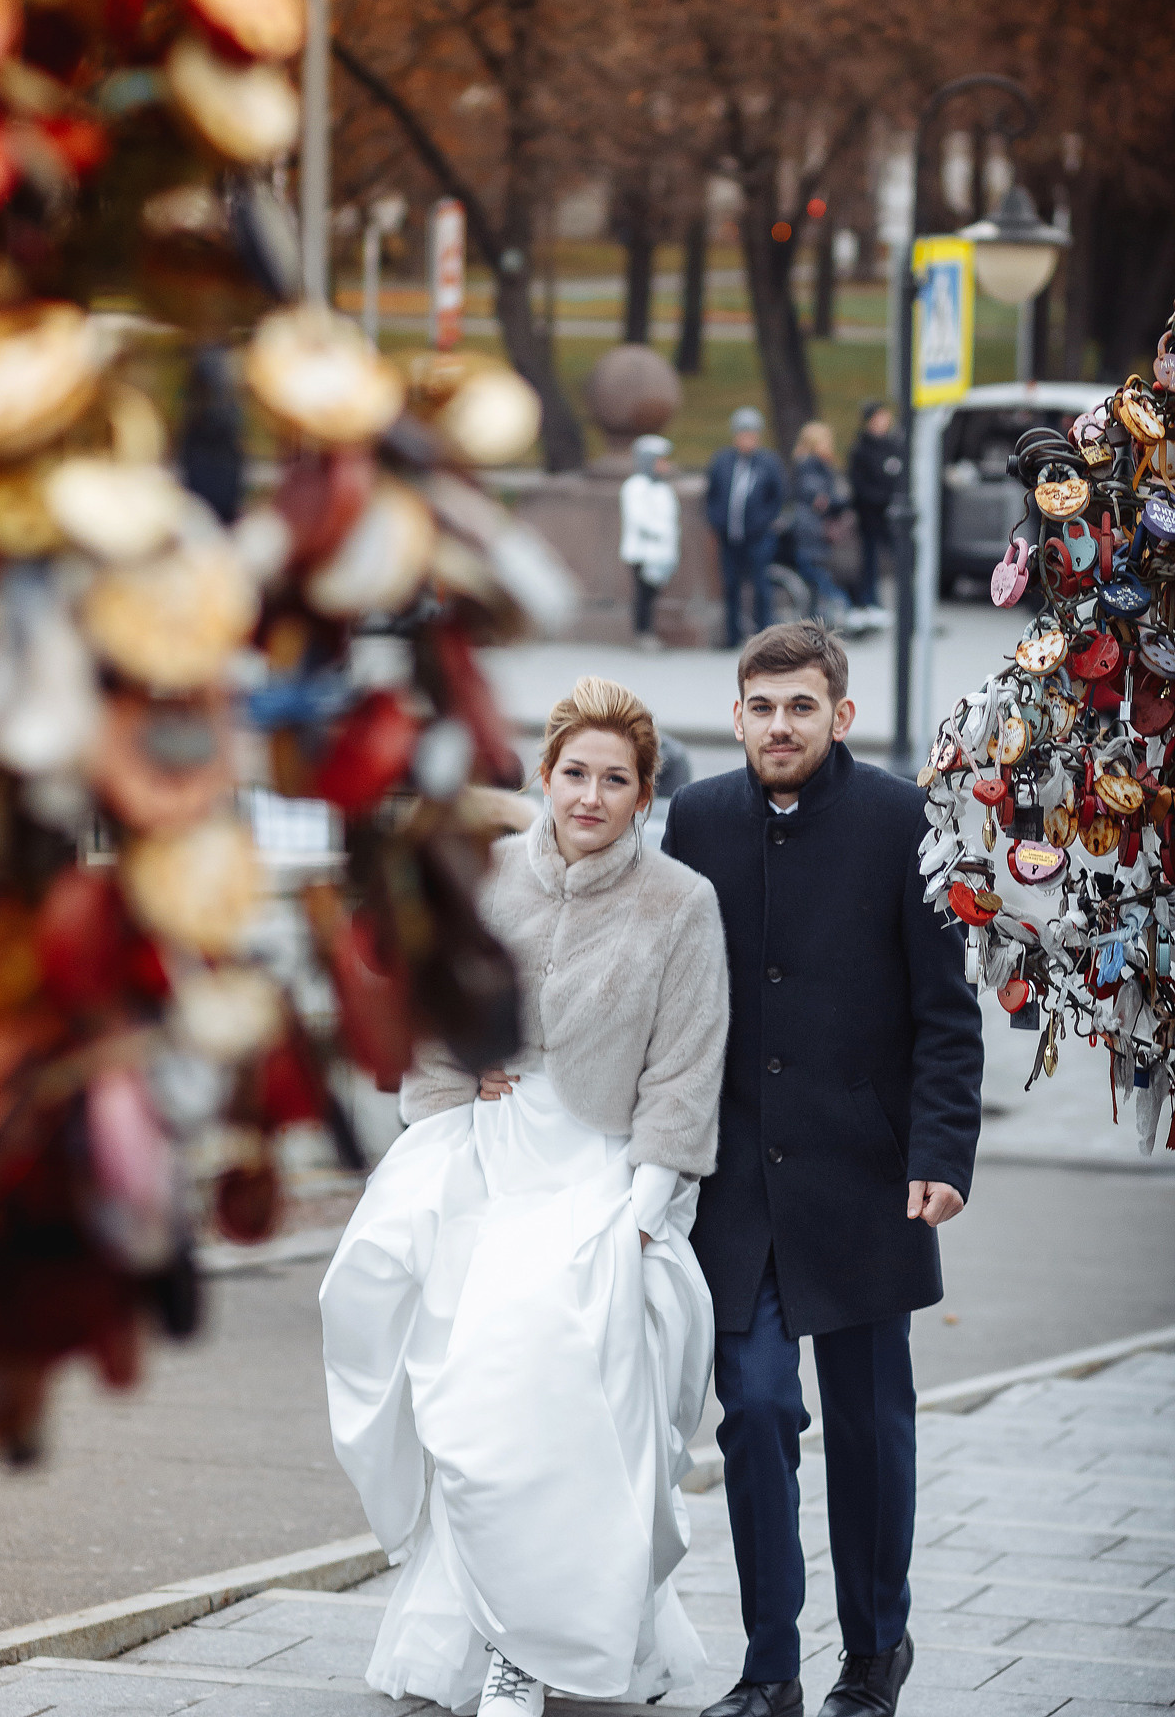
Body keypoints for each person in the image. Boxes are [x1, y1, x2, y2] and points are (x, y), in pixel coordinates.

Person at [320, 678, 730, 1717]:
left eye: (615, 780)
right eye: (574, 775)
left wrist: (645, 1207)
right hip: (485, 1158)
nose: (590, 797)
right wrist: (459, 1075)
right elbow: (430, 1012)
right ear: (543, 778)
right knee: (458, 1397)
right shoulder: (489, 876)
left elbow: (684, 1072)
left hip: (598, 1175)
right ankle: (476, 1631)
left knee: (550, 1399)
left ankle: (535, 1650)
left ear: (645, 795)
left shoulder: (681, 904)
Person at [662, 621, 983, 1717]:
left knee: (864, 1428)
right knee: (751, 1412)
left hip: (865, 1181)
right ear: (738, 711)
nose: (778, 725)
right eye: (760, 706)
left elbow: (946, 1013)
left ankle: (870, 1656)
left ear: (838, 715)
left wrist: (942, 1153)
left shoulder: (904, 820)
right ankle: (767, 1672)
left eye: (800, 706)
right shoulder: (695, 819)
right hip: (735, 1188)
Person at [706, 408, 786, 649]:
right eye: (742, 434)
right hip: (729, 537)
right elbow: (712, 494)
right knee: (730, 586)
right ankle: (731, 637)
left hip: (757, 537)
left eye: (751, 434)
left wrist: (763, 521)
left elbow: (778, 496)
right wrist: (716, 520)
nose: (747, 440)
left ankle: (765, 640)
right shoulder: (723, 461)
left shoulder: (768, 464)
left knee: (761, 586)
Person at [620, 435, 681, 646]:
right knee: (643, 594)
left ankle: (649, 630)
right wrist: (660, 532)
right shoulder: (636, 486)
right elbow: (639, 519)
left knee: (653, 595)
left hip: (661, 552)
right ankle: (642, 632)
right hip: (642, 551)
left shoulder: (662, 488)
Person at [789, 422, 848, 624]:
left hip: (813, 531)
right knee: (816, 578)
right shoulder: (812, 468)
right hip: (811, 532)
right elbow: (821, 500)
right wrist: (840, 501)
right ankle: (841, 608)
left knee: (815, 581)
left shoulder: (811, 467)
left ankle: (814, 621)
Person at [848, 401, 901, 619]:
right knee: (870, 560)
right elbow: (858, 484)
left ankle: (904, 602)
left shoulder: (892, 446)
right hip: (870, 514)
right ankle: (869, 601)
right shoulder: (861, 449)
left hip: (893, 515)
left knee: (901, 557)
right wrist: (880, 498)